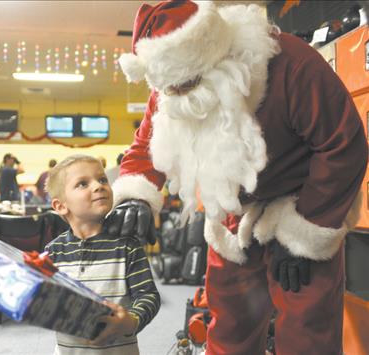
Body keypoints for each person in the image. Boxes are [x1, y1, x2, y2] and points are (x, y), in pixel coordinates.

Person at [105, 1, 368, 354]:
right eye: (170, 91)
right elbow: (146, 146)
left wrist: (306, 231)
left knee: (307, 331)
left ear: (216, 58)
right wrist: (136, 194)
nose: (180, 97)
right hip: (232, 214)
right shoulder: (173, 87)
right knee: (230, 325)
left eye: (188, 84)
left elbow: (342, 144)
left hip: (304, 203)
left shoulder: (289, 62)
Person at [44, 154, 160, 355]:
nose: (98, 186)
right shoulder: (53, 252)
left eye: (102, 179)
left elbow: (148, 295)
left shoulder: (127, 246)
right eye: (82, 184)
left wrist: (131, 320)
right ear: (61, 206)